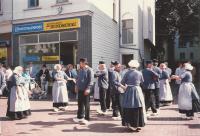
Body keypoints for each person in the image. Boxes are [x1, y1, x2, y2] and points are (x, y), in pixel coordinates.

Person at [121, 60, 146, 132]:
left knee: (128, 105)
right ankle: (138, 124)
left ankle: (130, 124)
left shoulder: (127, 73)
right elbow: (142, 82)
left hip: (129, 90)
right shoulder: (139, 73)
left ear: (130, 66)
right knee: (138, 105)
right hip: (137, 89)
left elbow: (122, 82)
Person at [73, 58, 94, 125]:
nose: (80, 64)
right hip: (80, 89)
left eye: (80, 63)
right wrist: (76, 86)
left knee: (86, 104)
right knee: (80, 103)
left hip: (86, 90)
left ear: (84, 63)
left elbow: (91, 81)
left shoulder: (90, 70)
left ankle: (87, 118)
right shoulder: (80, 70)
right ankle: (80, 117)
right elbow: (78, 79)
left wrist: (88, 88)